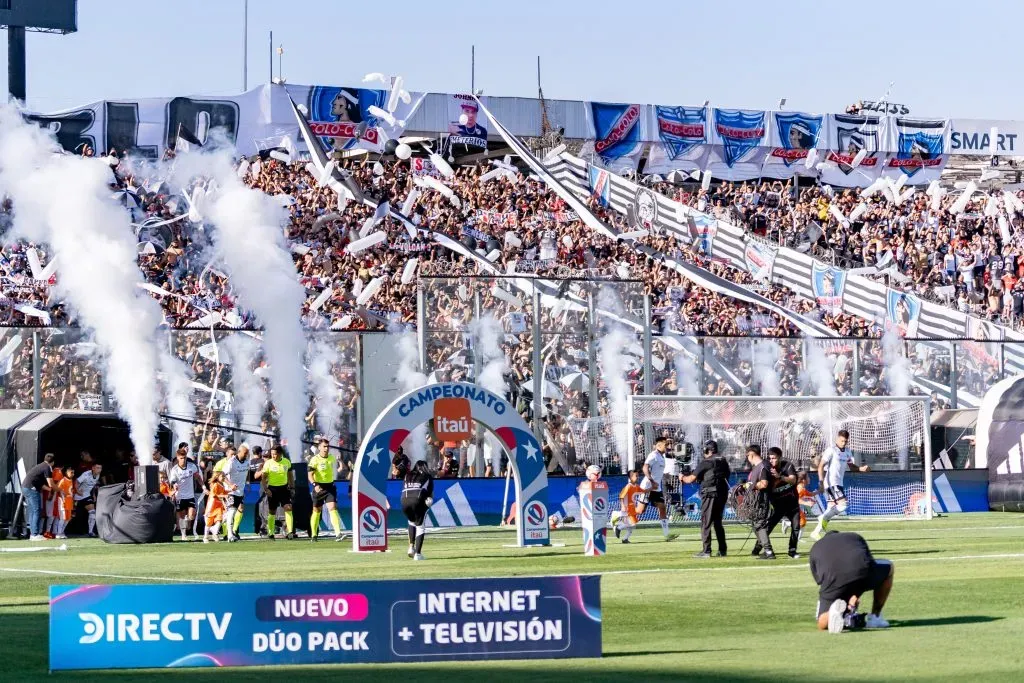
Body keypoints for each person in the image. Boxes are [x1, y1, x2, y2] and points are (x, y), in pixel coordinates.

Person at [810, 531, 893, 633]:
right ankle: (875, 616)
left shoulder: (816, 546)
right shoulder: (854, 536)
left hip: (832, 580)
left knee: (821, 621)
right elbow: (870, 562)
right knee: (890, 568)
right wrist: (855, 593)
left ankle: (832, 612)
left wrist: (841, 595)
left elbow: (819, 580)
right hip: (862, 571)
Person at [811, 429, 870, 540]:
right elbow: (820, 466)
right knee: (843, 505)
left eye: (845, 441)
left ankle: (815, 532)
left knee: (830, 508)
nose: (843, 443)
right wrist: (820, 482)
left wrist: (861, 469)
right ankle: (823, 518)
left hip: (839, 483)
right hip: (832, 483)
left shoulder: (847, 451)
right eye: (842, 441)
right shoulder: (831, 450)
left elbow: (852, 467)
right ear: (837, 438)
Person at [680, 439, 731, 558]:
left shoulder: (706, 462)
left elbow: (690, 479)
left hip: (709, 494)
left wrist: (682, 477)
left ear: (707, 450)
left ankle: (706, 551)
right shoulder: (723, 461)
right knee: (718, 523)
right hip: (722, 494)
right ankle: (722, 550)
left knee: (706, 522)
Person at [752, 446, 800, 559]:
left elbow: (793, 480)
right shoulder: (767, 469)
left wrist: (780, 477)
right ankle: (758, 547)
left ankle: (792, 550)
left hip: (792, 503)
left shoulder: (787, 466)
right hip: (778, 505)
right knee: (768, 528)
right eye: (770, 458)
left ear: (780, 457)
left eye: (774, 458)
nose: (772, 461)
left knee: (796, 527)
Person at [636, 436, 677, 541]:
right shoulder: (653, 455)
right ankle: (618, 517)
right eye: (666, 444)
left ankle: (667, 534)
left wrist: (664, 477)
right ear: (659, 445)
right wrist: (651, 480)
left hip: (656, 488)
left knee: (662, 508)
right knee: (640, 511)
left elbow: (657, 472)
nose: (667, 446)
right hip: (648, 487)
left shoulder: (662, 456)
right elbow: (645, 467)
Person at [307, 436, 346, 542]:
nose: (326, 448)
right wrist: (315, 484)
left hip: (330, 487)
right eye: (324, 446)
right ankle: (314, 535)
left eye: (327, 446)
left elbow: (340, 469)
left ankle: (338, 534)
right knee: (316, 511)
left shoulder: (331, 458)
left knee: (333, 508)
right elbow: (310, 475)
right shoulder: (314, 459)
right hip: (319, 488)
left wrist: (340, 461)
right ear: (319, 447)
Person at [257, 445, 295, 540]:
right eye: (272, 454)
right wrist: (266, 489)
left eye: (275, 454)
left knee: (288, 507)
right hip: (272, 489)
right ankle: (271, 532)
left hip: (284, 489)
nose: (273, 456)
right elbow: (263, 478)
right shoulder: (268, 463)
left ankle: (290, 531)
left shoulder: (286, 462)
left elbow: (290, 476)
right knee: (272, 511)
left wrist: (292, 487)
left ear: (280, 454)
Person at [214, 445, 250, 542]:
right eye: (245, 453)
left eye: (247, 453)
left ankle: (215, 528)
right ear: (239, 452)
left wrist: (248, 483)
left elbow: (247, 472)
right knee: (231, 512)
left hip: (240, 491)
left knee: (230, 513)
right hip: (231, 492)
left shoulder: (247, 462)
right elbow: (222, 476)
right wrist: (230, 485)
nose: (246, 454)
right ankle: (230, 535)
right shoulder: (231, 462)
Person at [745, 445, 776, 560]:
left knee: (760, 524)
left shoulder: (763, 466)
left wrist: (750, 485)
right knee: (756, 525)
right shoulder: (756, 467)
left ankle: (768, 551)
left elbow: (764, 484)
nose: (747, 458)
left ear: (752, 454)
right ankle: (759, 549)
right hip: (755, 500)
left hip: (762, 500)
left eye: (747, 456)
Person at [401, 460, 434, 560]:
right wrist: (428, 502)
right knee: (420, 526)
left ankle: (411, 547)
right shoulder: (427, 476)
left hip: (404, 501)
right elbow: (430, 494)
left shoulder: (407, 475)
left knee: (411, 521)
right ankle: (418, 554)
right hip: (417, 501)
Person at [168, 449, 204, 541]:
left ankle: (187, 522)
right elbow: (172, 481)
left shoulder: (191, 466)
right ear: (177, 458)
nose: (183, 460)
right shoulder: (175, 469)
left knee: (192, 514)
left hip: (190, 495)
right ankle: (183, 535)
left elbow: (197, 477)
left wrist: (203, 486)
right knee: (182, 516)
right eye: (181, 458)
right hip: (180, 496)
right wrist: (175, 485)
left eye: (184, 458)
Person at [22, 454, 55, 540]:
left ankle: (33, 534)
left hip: (26, 488)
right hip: (31, 489)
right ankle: (35, 534)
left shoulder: (40, 466)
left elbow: (39, 483)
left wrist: (49, 489)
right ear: (52, 462)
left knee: (33, 511)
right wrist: (58, 489)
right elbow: (51, 483)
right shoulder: (47, 467)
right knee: (37, 511)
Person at [202, 471, 236, 543]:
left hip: (219, 505)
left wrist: (231, 490)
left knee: (219, 519)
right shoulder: (215, 484)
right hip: (212, 505)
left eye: (224, 476)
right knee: (209, 521)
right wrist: (224, 496)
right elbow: (214, 495)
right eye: (222, 476)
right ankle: (205, 536)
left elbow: (223, 492)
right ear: (217, 477)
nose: (224, 478)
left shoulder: (221, 484)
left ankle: (215, 532)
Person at [613, 469, 644, 544]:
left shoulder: (636, 486)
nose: (638, 477)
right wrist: (623, 505)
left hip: (632, 509)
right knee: (633, 524)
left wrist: (652, 488)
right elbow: (621, 496)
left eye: (638, 476)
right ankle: (618, 527)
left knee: (631, 527)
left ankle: (625, 539)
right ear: (630, 477)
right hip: (627, 509)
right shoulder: (628, 486)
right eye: (636, 476)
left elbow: (643, 491)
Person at [74, 463, 103, 538]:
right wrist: (77, 491)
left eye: (100, 468)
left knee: (92, 512)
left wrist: (93, 494)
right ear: (93, 468)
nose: (99, 470)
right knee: (74, 516)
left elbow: (93, 485)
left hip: (86, 496)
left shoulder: (98, 475)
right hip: (77, 496)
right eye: (97, 468)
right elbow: (76, 482)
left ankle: (90, 532)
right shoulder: (86, 474)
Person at [54, 466, 76, 539]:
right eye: (71, 472)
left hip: (69, 502)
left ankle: (62, 532)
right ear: (66, 472)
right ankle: (58, 533)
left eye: (73, 472)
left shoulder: (71, 480)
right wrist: (63, 497)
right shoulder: (63, 480)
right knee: (63, 518)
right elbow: (59, 490)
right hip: (63, 502)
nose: (73, 474)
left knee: (68, 519)